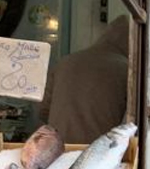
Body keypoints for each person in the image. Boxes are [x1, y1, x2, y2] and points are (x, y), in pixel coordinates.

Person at [39, 15, 129, 143]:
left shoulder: (66, 62)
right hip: (98, 152)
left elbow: (43, 110)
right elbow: (130, 122)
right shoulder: (127, 70)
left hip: (57, 148)